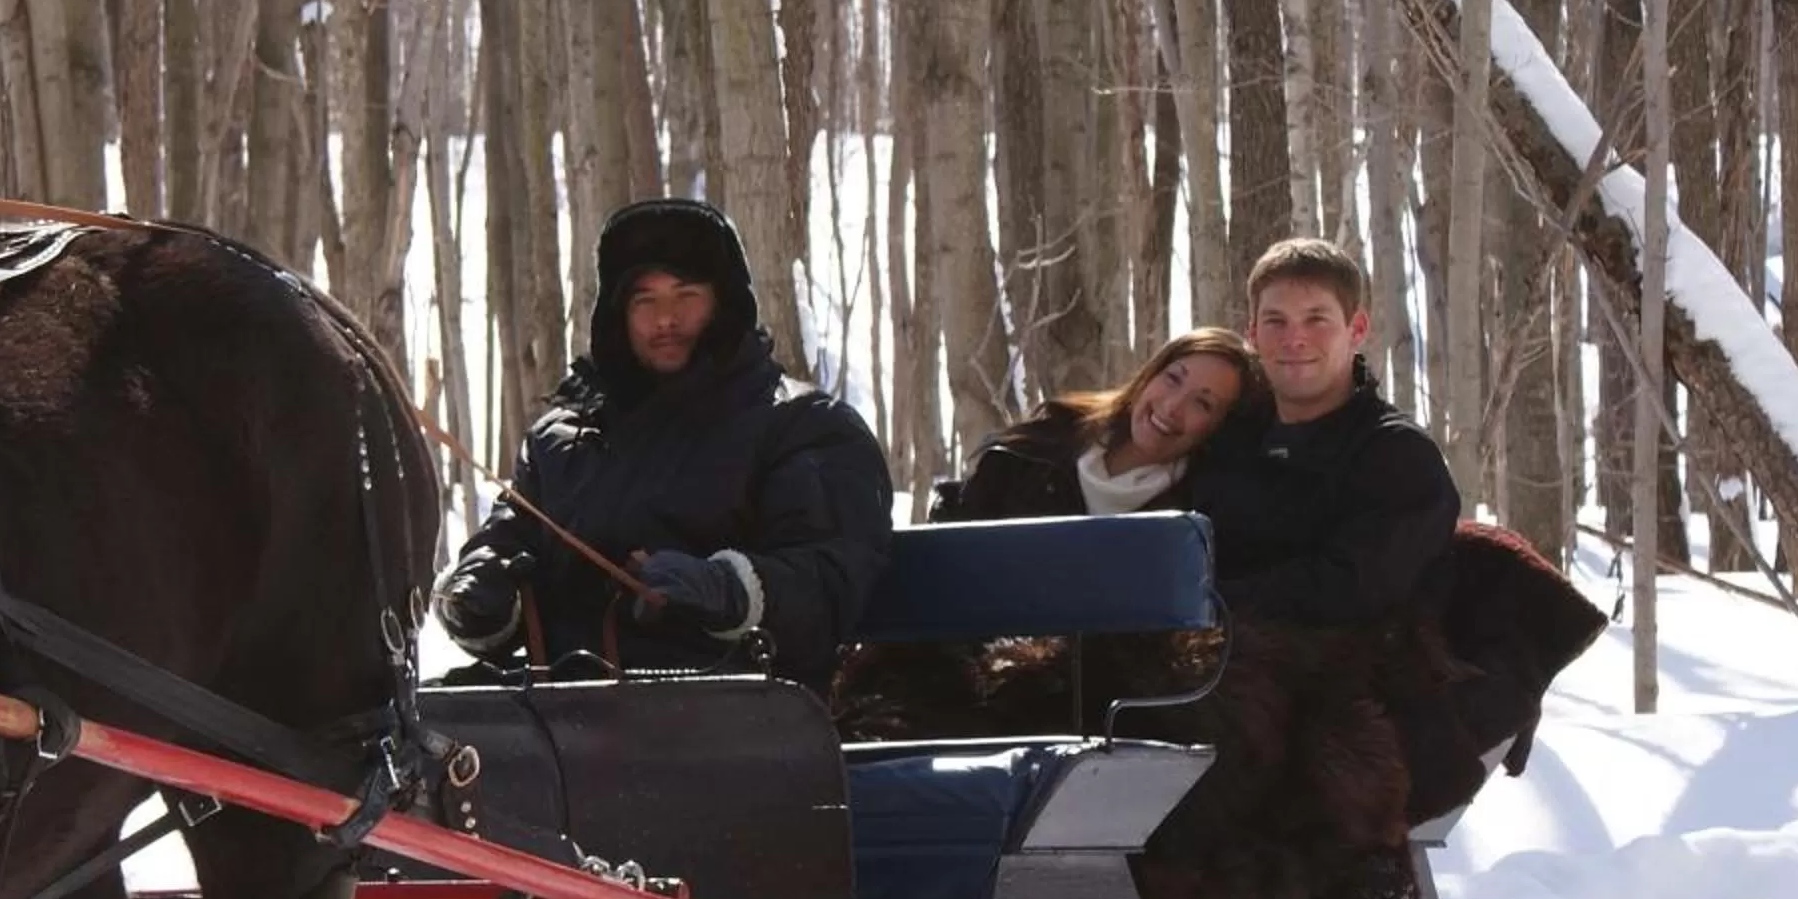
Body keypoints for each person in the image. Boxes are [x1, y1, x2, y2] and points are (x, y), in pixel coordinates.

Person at [433, 197, 893, 688]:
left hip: (739, 707)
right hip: (563, 707)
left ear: (724, 303)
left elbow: (831, 578)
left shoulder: (801, 427)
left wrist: (727, 589)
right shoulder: (561, 442)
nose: (665, 319)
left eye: (686, 295)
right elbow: (507, 542)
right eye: (644, 301)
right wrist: (481, 596)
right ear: (619, 315)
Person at [1191, 238, 1460, 623]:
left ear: (1357, 328)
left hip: (1350, 657)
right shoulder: (1228, 442)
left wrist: (1201, 600)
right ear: (1252, 334)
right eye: (1275, 321)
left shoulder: (1397, 455)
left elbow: (1351, 589)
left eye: (1316, 319)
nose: (1294, 339)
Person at [936, 329, 1262, 523]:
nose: (1171, 407)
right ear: (1149, 375)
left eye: (1202, 404)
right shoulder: (1038, 447)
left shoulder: (1201, 514)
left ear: (1218, 427)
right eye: (1173, 379)